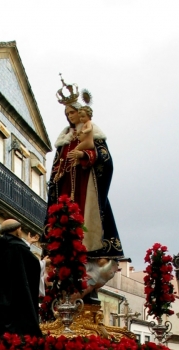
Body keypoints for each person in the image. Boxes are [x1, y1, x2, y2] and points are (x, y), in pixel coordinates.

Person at [46, 78, 129, 304]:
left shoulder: (93, 134)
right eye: (68, 113)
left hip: (86, 190)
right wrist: (57, 177)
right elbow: (56, 166)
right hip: (65, 190)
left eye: (73, 112)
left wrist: (84, 157)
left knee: (88, 220)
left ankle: (90, 261)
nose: (71, 116)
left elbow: (105, 160)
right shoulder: (64, 140)